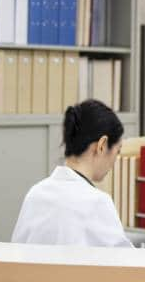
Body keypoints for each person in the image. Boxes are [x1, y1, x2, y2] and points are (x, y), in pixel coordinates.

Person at [12, 99, 132, 247]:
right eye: (117, 151)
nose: (115, 160)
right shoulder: (97, 203)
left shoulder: (35, 194)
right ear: (101, 146)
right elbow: (124, 264)